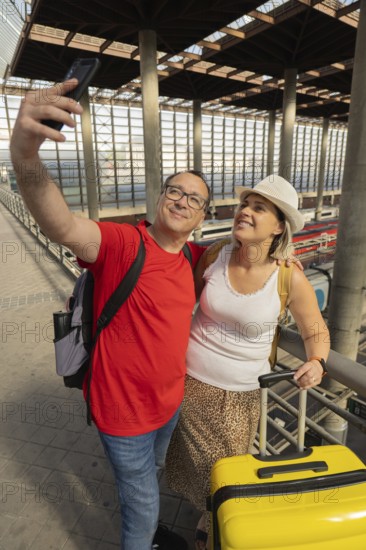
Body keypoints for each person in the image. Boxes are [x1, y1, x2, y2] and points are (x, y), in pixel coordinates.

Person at [9, 79, 211, 550]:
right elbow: (62, 223)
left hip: (169, 404)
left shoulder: (192, 257)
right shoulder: (124, 244)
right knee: (140, 507)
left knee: (148, 481)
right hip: (123, 413)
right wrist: (25, 155)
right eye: (174, 191)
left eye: (193, 198)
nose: (181, 200)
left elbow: (240, 253)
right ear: (161, 198)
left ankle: (148, 523)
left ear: (202, 215)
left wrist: (275, 252)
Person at [165, 175, 330, 550]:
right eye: (245, 204)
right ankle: (209, 527)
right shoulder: (214, 255)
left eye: (259, 208)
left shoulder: (289, 276)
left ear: (278, 227)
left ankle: (214, 533)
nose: (246, 212)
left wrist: (317, 361)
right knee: (195, 470)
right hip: (185, 384)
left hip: (236, 400)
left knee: (225, 477)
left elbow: (314, 329)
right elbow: (176, 300)